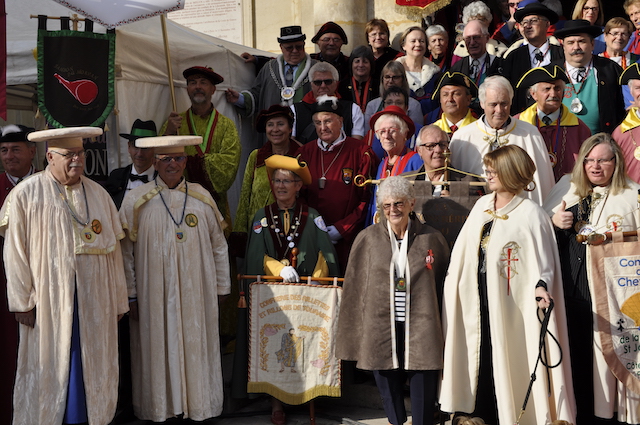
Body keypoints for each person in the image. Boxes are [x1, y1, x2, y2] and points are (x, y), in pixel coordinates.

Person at [440, 144, 576, 425]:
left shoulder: (531, 214)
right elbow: (463, 253)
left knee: (507, 356)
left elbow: (543, 263)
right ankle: (477, 415)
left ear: (511, 172)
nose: (487, 174)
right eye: (488, 169)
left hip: (512, 305)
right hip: (477, 300)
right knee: (480, 356)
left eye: (494, 170)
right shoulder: (481, 206)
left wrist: (541, 286)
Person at [1, 126, 128, 425]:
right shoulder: (26, 194)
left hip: (94, 301)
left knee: (91, 366)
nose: (77, 160)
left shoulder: (99, 194)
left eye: (80, 153)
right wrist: (22, 302)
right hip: (48, 302)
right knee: (55, 365)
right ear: (50, 157)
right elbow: (15, 253)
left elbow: (114, 253)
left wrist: (119, 300)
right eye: (69, 154)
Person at [119, 135, 230, 422]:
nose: (172, 164)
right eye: (166, 159)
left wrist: (221, 287)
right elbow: (125, 253)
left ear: (185, 161)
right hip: (152, 295)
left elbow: (219, 246)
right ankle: (161, 408)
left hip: (197, 293)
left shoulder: (202, 198)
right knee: (157, 348)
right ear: (155, 162)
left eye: (178, 158)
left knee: (196, 345)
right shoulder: (136, 201)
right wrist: (131, 294)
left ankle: (199, 406)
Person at [336, 176, 450, 425]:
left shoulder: (431, 238)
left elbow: (444, 285)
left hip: (421, 323)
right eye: (386, 205)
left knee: (423, 376)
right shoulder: (368, 238)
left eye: (398, 203)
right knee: (386, 378)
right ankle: (395, 421)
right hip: (381, 322)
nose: (393, 210)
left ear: (411, 204)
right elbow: (356, 288)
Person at [543, 133, 640, 424]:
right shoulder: (566, 188)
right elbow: (538, 235)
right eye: (590, 160)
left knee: (604, 365)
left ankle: (605, 416)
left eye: (603, 161)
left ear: (616, 162)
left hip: (610, 299)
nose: (595, 167)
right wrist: (553, 223)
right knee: (575, 361)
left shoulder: (631, 196)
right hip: (569, 292)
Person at [296, 96, 375, 272]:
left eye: (328, 121)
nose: (322, 127)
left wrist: (341, 229)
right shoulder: (304, 153)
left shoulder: (361, 153)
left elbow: (366, 200)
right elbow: (298, 196)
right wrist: (313, 226)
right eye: (317, 123)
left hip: (349, 239)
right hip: (312, 237)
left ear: (340, 121)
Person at [449, 76, 555, 204]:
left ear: (511, 102)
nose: (499, 110)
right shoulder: (463, 137)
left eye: (504, 104)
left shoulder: (530, 134)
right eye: (493, 104)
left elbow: (543, 184)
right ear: (482, 103)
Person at [161, 65, 241, 228]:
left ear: (213, 89)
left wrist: (192, 163)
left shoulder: (227, 126)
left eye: (203, 82)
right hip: (179, 202)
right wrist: (168, 133)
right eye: (192, 82)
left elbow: (229, 164)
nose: (197, 86)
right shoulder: (175, 123)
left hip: (214, 203)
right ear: (187, 89)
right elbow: (159, 159)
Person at [0, 124, 35, 425]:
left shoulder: (45, 184)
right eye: (3, 150)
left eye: (15, 149)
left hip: (39, 285)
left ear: (32, 152)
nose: (9, 156)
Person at [232, 105, 301, 248]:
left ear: (290, 128)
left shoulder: (301, 156)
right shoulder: (256, 156)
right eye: (270, 125)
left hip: (292, 231)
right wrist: (240, 232)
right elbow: (245, 196)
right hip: (259, 231)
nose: (275, 129)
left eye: (280, 124)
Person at [515, 64, 591, 181]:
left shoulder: (579, 128)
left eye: (557, 88)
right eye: (547, 89)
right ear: (533, 94)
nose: (553, 94)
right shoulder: (518, 124)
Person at [225, 26, 315, 117]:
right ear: (281, 47)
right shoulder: (269, 68)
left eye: (299, 47)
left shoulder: (316, 68)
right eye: (289, 48)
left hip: (306, 123)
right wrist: (240, 99)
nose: (295, 51)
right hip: (274, 123)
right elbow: (258, 94)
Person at [555, 20, 625, 135]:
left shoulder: (610, 69)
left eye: (582, 41)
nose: (576, 47)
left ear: (592, 44)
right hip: (560, 141)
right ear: (563, 45)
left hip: (600, 141)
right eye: (570, 43)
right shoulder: (551, 72)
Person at [500, 2, 563, 114]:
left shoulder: (561, 54)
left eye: (533, 21)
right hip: (522, 117)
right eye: (524, 22)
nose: (528, 26)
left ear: (547, 24)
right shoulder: (513, 57)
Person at [367, 105, 421, 224]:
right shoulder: (382, 163)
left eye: (392, 131)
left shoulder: (415, 160)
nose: (386, 136)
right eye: (382, 132)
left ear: (404, 133)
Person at [291, 62, 365, 144]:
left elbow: (357, 142)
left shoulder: (352, 109)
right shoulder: (295, 110)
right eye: (318, 82)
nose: (323, 86)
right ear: (311, 84)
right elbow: (291, 142)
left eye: (328, 81)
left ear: (336, 83)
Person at [105, 119, 157, 209]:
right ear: (129, 147)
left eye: (145, 147)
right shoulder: (116, 177)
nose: (139, 153)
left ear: (155, 148)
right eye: (135, 146)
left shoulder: (162, 179)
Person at [364, 60, 424, 131]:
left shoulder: (414, 105)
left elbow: (416, 132)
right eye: (387, 77)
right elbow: (367, 133)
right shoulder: (372, 105)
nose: (390, 81)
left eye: (395, 77)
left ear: (403, 79)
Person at [396, 26, 441, 115]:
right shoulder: (394, 72)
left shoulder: (436, 73)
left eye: (422, 41)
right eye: (413, 41)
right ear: (404, 46)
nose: (418, 44)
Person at [450, 20, 502, 88]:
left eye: (476, 37)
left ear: (487, 38)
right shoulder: (457, 68)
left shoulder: (500, 65)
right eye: (468, 38)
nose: (472, 42)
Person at [600, 17, 638, 109]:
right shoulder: (595, 62)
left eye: (624, 34)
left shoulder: (636, 61)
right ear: (605, 36)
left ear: (629, 38)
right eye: (615, 33)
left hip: (631, 111)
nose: (619, 37)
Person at [338, 45, 378, 112]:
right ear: (351, 64)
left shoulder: (378, 86)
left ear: (371, 65)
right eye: (357, 61)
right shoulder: (342, 86)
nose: (361, 65)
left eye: (365, 62)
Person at [366, 18, 400, 84]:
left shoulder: (397, 57)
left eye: (382, 33)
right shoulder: (363, 57)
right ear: (368, 38)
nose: (378, 37)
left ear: (387, 36)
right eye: (374, 34)